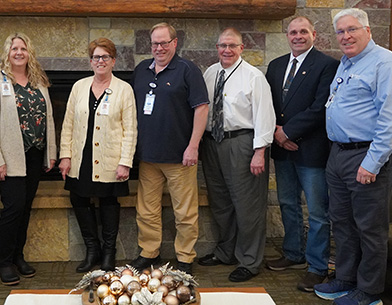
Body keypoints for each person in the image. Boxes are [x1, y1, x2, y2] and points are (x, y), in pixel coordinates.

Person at [314, 9, 392, 305]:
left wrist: (372, 162)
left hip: (367, 155)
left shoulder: (386, 63)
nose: (346, 36)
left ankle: (368, 291)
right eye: (340, 32)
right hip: (339, 155)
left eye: (352, 29)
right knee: (341, 222)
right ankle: (345, 278)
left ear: (368, 30)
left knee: (369, 227)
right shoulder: (347, 63)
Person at [264, 16, 339, 291]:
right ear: (287, 36)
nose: (298, 36)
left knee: (318, 212)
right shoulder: (276, 65)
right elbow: (267, 104)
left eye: (303, 31)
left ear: (314, 35)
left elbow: (321, 108)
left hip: (311, 150)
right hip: (282, 149)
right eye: (293, 32)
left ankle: (318, 266)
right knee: (288, 203)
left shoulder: (328, 65)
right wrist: (276, 133)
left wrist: (288, 133)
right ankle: (293, 253)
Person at [131, 22, 209, 275]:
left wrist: (193, 146)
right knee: (147, 210)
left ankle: (185, 257)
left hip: (180, 156)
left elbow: (201, 108)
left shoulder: (188, 70)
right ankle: (149, 252)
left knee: (185, 212)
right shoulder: (141, 69)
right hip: (148, 156)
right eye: (155, 43)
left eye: (164, 42)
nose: (159, 47)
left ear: (175, 43)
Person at [198, 28, 275, 282]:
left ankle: (249, 261)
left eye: (232, 45)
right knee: (221, 203)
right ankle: (225, 252)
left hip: (243, 143)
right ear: (217, 48)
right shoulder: (210, 73)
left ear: (242, 48)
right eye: (222, 46)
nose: (227, 50)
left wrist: (259, 152)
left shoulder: (253, 77)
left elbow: (265, 116)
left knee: (247, 206)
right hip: (212, 144)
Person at [0, 33, 57, 285]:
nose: (19, 52)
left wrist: (51, 152)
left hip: (34, 155)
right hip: (9, 157)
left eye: (23, 48)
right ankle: (3, 262)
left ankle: (18, 256)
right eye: (14, 48)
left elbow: (49, 118)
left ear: (29, 52)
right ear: (7, 52)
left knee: (25, 209)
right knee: (13, 209)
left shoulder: (38, 80)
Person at [58, 38, 137, 272]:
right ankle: (92, 250)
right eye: (95, 57)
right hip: (81, 157)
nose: (99, 61)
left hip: (111, 159)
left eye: (104, 57)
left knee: (108, 202)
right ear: (90, 61)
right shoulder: (79, 87)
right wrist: (65, 156)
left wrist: (125, 162)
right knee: (79, 198)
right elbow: (68, 124)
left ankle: (108, 254)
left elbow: (130, 129)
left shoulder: (124, 89)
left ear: (113, 61)